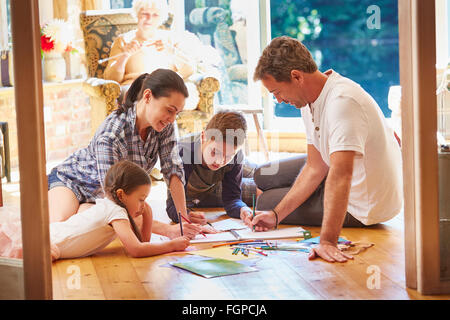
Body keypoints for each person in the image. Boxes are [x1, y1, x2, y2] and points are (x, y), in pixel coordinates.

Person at [245, 36, 403, 263]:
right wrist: (277, 216)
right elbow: (315, 166)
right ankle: (234, 184)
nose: (278, 100)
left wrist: (327, 241)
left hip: (365, 206)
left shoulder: (342, 102)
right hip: (342, 176)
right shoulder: (307, 99)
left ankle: (222, 192)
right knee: (263, 175)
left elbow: (341, 176)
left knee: (267, 202)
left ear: (296, 76)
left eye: (277, 92)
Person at [47, 69, 206, 236]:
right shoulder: (111, 134)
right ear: (147, 96)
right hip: (72, 182)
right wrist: (168, 230)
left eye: (177, 113)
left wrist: (184, 222)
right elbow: (115, 199)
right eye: (169, 110)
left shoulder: (164, 126)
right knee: (57, 229)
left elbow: (173, 170)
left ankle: (80, 212)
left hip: (100, 198)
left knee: (93, 229)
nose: (172, 119)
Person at [0, 160, 194, 260]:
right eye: (141, 199)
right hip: (48, 241)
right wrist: (171, 245)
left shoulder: (116, 208)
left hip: (53, 238)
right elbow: (136, 249)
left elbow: (143, 241)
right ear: (121, 194)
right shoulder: (116, 212)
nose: (144, 204)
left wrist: (148, 212)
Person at [166, 110, 255, 224]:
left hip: (216, 181)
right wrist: (186, 215)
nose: (220, 161)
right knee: (257, 190)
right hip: (199, 191)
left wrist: (243, 209)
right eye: (215, 152)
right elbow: (172, 206)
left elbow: (232, 199)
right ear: (203, 137)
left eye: (228, 156)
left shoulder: (236, 156)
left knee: (261, 177)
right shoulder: (182, 153)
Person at [103, 0, 197, 104]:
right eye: (145, 14)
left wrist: (171, 52)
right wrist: (125, 56)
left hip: (166, 86)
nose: (149, 19)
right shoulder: (124, 40)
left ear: (161, 18)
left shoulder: (171, 39)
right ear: (137, 14)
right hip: (135, 87)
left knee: (186, 95)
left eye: (155, 15)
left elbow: (190, 69)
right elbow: (111, 79)